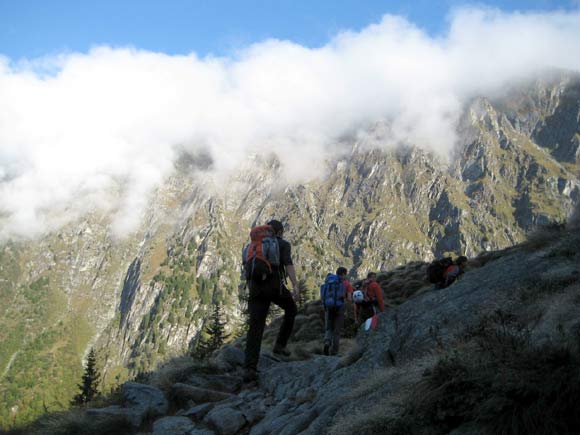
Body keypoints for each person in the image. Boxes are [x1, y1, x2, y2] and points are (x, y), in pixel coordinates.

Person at [243, 219, 300, 382]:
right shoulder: (282, 244)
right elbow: (288, 264)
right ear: (280, 232)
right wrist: (295, 285)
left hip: (255, 288)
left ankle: (249, 368)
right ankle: (280, 346)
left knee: (255, 326)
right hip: (273, 286)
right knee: (291, 309)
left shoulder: (252, 246)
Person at [322, 267, 353, 356]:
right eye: (345, 274)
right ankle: (334, 351)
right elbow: (350, 299)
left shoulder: (330, 281)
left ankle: (327, 343)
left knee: (329, 328)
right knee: (337, 330)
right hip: (340, 308)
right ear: (344, 274)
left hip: (329, 307)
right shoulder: (346, 284)